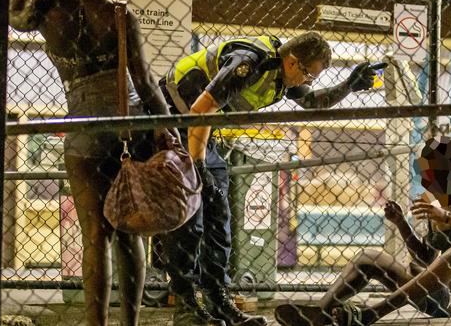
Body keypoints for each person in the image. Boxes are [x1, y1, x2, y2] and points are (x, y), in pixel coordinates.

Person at [155, 32, 383, 326]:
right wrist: (198, 167)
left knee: (218, 215)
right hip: (172, 121)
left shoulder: (281, 75)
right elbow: (201, 109)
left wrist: (350, 85)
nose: (308, 82)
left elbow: (314, 102)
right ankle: (186, 306)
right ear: (292, 62)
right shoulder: (250, 62)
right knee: (190, 216)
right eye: (308, 74)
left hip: (200, 130)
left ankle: (217, 299)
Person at [9, 0, 172, 325]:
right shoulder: (117, 13)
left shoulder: (47, 14)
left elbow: (14, 14)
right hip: (128, 127)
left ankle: (95, 323)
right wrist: (167, 128)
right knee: (131, 231)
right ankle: (130, 322)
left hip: (83, 132)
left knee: (95, 238)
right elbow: (145, 83)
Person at [274, 136, 451, 326]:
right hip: (444, 299)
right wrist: (402, 224)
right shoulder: (435, 207)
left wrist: (448, 217)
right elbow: (427, 259)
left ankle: (371, 314)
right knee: (370, 257)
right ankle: (318, 314)